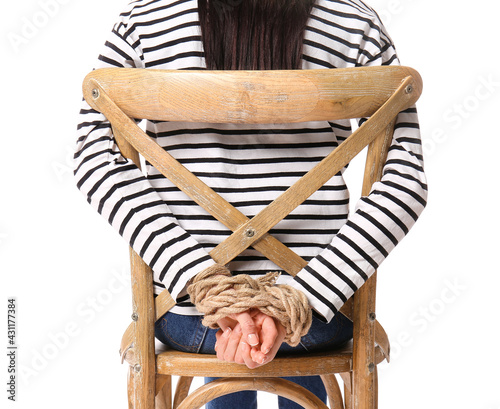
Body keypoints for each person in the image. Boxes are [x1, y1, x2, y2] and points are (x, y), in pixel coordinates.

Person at [74, 0, 427, 407]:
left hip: (189, 318)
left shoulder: (147, 21)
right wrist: (299, 300)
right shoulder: (353, 23)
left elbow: (92, 157)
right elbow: (406, 181)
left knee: (230, 330)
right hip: (320, 317)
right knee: (285, 333)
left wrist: (206, 285)